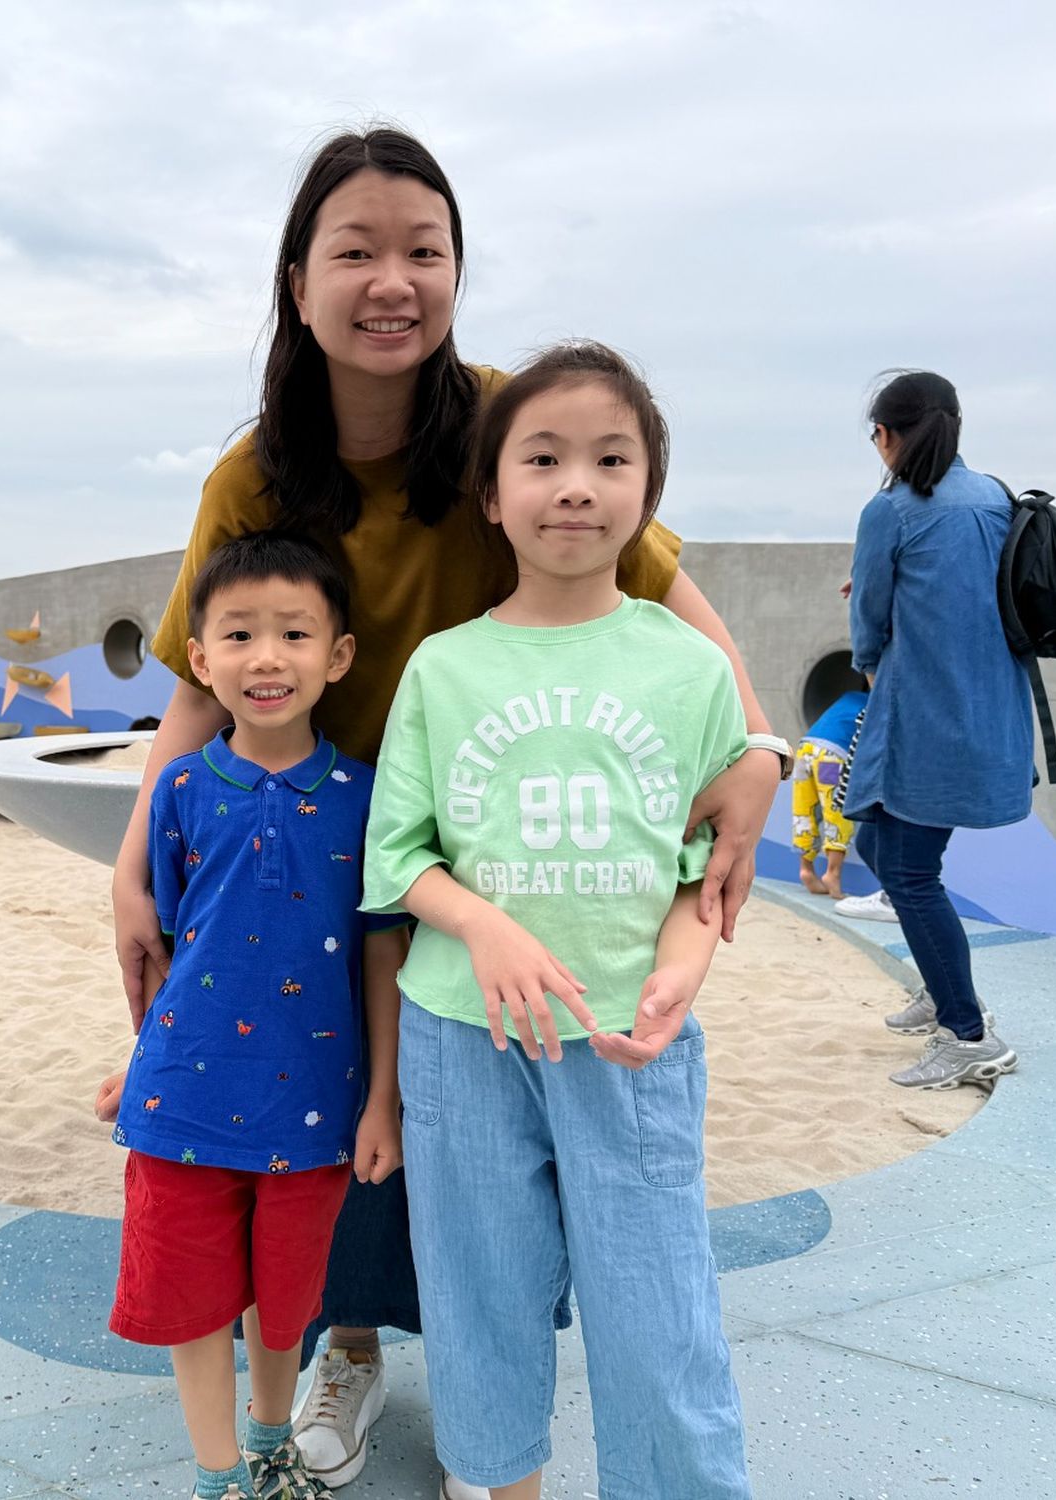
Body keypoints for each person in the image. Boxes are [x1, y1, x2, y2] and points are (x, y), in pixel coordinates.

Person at [107, 129, 789, 1497]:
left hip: (490, 831)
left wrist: (756, 755)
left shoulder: (505, 427)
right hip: (323, 838)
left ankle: (500, 1407)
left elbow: (674, 606)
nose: (391, 280)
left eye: (425, 250)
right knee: (335, 1104)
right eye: (354, 250)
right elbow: (199, 671)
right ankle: (348, 1352)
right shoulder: (252, 471)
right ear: (297, 280)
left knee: (485, 1163)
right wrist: (136, 858)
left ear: (459, 272)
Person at [364, 342, 751, 1499]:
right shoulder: (443, 666)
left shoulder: (688, 668)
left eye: (607, 458)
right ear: (492, 495)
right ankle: (497, 1485)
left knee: (657, 1304)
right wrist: (483, 928)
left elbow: (701, 869)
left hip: (626, 1040)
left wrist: (682, 969)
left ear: (646, 493)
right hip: (457, 1035)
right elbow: (397, 856)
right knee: (478, 1292)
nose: (574, 484)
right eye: (541, 458)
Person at [105, 532, 407, 1500]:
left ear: (339, 656)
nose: (265, 657)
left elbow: (380, 953)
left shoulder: (365, 800)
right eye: (237, 634)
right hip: (182, 1102)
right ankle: (215, 1473)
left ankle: (271, 1439)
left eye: (292, 633)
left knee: (284, 1303)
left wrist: (381, 1103)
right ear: (199, 659)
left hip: (316, 1106)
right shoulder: (181, 791)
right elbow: (168, 944)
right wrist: (138, 1060)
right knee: (192, 1297)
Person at [847, 370, 1030, 1088]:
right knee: (880, 844)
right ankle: (942, 983)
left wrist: (869, 659)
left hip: (925, 717)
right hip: (989, 711)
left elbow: (868, 619)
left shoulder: (892, 509)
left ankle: (968, 1032)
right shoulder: (994, 496)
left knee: (910, 872)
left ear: (888, 437)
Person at [793, 688, 867, 898]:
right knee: (836, 811)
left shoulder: (848, 697)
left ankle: (806, 870)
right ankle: (832, 874)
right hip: (831, 755)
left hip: (806, 747)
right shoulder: (875, 705)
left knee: (805, 811)